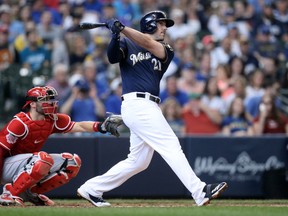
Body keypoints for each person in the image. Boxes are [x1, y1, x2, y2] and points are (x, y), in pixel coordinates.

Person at [77, 10, 227, 207]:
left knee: (138, 162)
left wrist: (122, 28)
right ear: (149, 24)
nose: (164, 28)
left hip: (148, 105)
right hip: (137, 104)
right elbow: (113, 58)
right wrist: (115, 36)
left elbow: (147, 43)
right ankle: (199, 191)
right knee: (171, 145)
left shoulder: (165, 48)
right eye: (161, 23)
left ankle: (91, 188)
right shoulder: (127, 42)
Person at [0, 86, 123, 207]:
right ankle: (9, 193)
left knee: (72, 162)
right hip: (6, 167)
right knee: (43, 159)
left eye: (51, 99)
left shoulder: (51, 120)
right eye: (45, 100)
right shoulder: (19, 123)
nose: (50, 103)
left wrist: (101, 126)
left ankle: (29, 193)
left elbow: (79, 126)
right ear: (32, 104)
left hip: (27, 165)